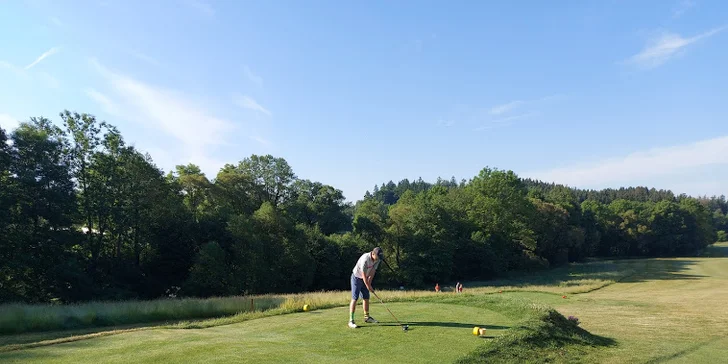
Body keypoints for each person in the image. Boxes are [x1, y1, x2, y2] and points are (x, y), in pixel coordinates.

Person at [348, 247, 383, 328]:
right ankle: (351, 320)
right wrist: (368, 285)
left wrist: (369, 283)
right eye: (377, 257)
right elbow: (363, 274)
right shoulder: (365, 259)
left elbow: (373, 271)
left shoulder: (378, 259)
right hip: (356, 277)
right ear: (373, 254)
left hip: (365, 277)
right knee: (355, 298)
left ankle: (367, 317)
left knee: (366, 297)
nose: (378, 259)